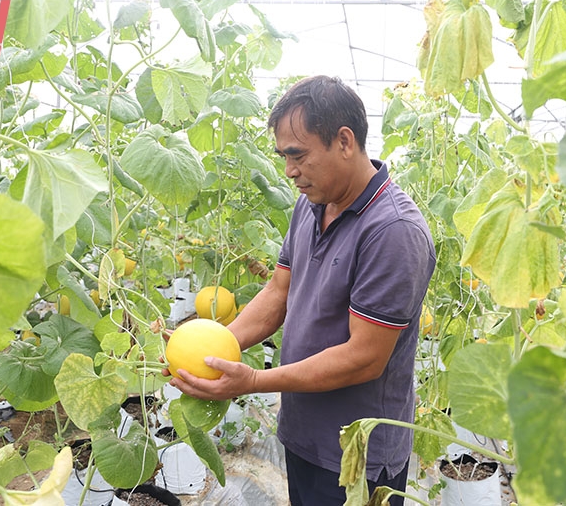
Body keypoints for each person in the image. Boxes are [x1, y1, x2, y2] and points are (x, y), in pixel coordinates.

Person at [167, 75, 436, 505]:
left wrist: (253, 380)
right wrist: (210, 351)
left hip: (356, 456)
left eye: (298, 155)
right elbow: (279, 292)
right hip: (304, 433)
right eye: (284, 157)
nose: (289, 171)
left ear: (345, 141)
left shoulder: (393, 231)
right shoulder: (311, 204)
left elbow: (363, 358)